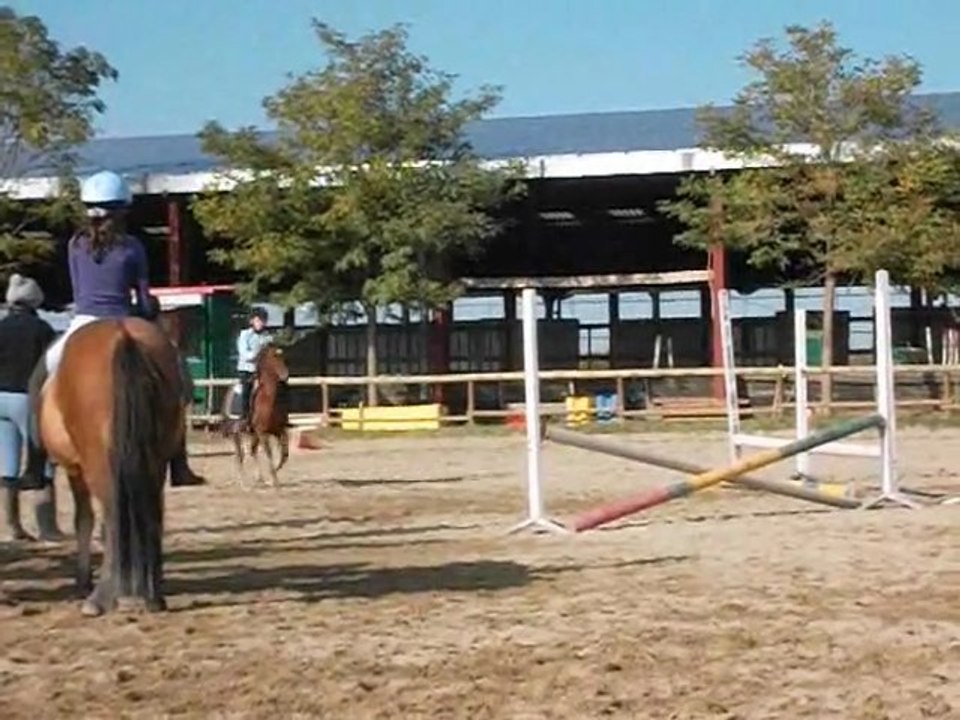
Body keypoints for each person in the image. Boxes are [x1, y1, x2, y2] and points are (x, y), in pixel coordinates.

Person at [22, 169, 159, 492]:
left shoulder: (75, 245)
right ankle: (179, 460)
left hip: (84, 321)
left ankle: (35, 462)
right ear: (122, 210)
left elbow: (79, 288)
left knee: (36, 383)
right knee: (176, 374)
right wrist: (147, 312)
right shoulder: (134, 246)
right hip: (126, 319)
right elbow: (143, 295)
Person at [0, 274, 58, 541]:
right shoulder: (41, 329)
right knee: (41, 462)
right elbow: (50, 369)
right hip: (28, 397)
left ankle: (12, 527)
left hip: (1, 397)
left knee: (7, 465)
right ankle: (47, 527)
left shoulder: (1, 327)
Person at [236, 307, 273, 428]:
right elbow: (244, 353)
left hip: (262, 370)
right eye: (258, 320)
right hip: (248, 369)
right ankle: (245, 416)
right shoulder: (245, 335)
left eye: (263, 321)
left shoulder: (267, 336)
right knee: (247, 390)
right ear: (252, 321)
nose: (261, 323)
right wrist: (257, 353)